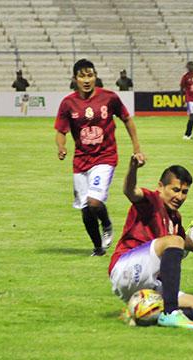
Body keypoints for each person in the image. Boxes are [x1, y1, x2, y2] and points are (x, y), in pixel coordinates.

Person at [109, 155, 193, 329]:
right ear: (160, 187)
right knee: (173, 241)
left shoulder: (175, 217)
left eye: (184, 192)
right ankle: (170, 313)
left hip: (149, 284)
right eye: (175, 190)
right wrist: (133, 168)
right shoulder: (151, 200)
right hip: (126, 268)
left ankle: (139, 313)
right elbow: (130, 191)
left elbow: (183, 240)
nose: (180, 196)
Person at [55, 58, 145, 256]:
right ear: (75, 79)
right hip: (80, 161)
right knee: (86, 210)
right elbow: (61, 131)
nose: (86, 80)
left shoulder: (109, 98)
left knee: (94, 202)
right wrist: (61, 147)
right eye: (82, 76)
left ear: (96, 76)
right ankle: (98, 247)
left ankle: (106, 223)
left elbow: (127, 120)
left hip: (105, 157)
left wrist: (136, 147)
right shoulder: (68, 103)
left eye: (90, 75)